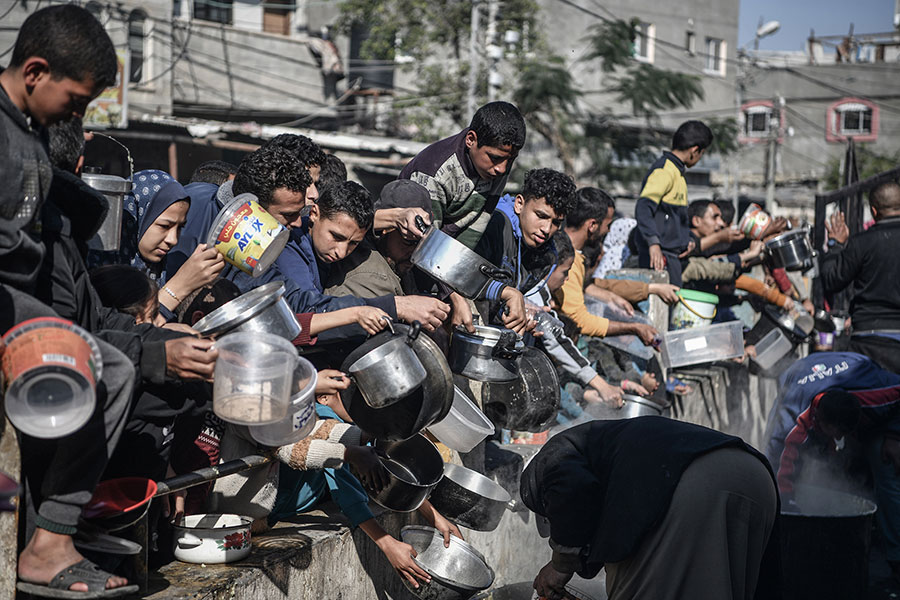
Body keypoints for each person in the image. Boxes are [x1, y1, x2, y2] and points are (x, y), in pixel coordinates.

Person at [0, 5, 133, 596]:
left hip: (17, 299)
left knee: (115, 367)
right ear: (35, 72)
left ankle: (51, 538)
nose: (76, 116)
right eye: (76, 101)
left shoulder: (27, 130)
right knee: (91, 363)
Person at [523, 417, 779, 600]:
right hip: (756, 478)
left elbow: (571, 489)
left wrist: (560, 566)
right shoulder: (608, 449)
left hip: (694, 488)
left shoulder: (552, 456)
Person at [474, 169, 623, 405]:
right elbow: (467, 280)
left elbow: (537, 314)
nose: (546, 229)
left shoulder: (546, 254)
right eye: (541, 216)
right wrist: (507, 299)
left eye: (556, 222)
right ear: (520, 204)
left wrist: (521, 311)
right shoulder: (494, 226)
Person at [763, 352, 900, 577]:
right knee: (782, 459)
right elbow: (778, 460)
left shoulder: (877, 393)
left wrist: (895, 436)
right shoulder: (794, 420)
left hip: (854, 367)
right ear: (819, 422)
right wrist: (786, 502)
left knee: (887, 465)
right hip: (801, 374)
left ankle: (896, 556)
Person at [266, 179, 450, 334]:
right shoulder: (290, 243)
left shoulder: (341, 235)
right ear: (314, 213)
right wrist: (396, 306)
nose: (341, 252)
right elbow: (306, 312)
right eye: (336, 237)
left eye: (353, 243)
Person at [89, 169, 225, 323]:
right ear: (138, 217)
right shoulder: (99, 273)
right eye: (165, 226)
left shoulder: (164, 270)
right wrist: (179, 287)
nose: (173, 240)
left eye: (180, 227)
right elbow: (122, 331)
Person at [398, 101, 526, 248]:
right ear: (471, 140)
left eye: (510, 159)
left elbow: (477, 225)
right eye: (495, 158)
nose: (502, 169)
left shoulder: (496, 167)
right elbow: (424, 241)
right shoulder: (435, 172)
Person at [556, 187, 660, 343]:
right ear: (592, 225)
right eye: (608, 225)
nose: (608, 231)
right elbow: (580, 321)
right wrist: (634, 327)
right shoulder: (569, 261)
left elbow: (584, 286)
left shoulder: (571, 252)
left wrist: (611, 298)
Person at [821, 182, 900, 373]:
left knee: (868, 398)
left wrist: (836, 245)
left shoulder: (860, 243)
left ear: (873, 211)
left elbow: (832, 280)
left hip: (866, 339)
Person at [634, 120, 713, 286]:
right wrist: (653, 243)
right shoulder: (664, 171)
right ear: (694, 150)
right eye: (702, 154)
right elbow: (643, 208)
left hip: (673, 257)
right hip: (658, 257)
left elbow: (676, 220)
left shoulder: (678, 175)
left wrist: (688, 240)